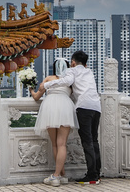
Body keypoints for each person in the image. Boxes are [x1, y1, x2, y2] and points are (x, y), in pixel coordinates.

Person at [43, 50, 102, 184]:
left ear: (73, 63)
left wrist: (46, 84)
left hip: (84, 107)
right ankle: (97, 173)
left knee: (87, 142)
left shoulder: (72, 70)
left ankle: (91, 176)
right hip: (96, 107)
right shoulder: (89, 72)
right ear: (85, 64)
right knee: (94, 141)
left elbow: (66, 81)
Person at [31, 58, 78, 187]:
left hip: (50, 107)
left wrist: (30, 89)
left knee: (55, 145)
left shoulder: (48, 79)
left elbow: (36, 97)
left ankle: (56, 176)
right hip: (65, 107)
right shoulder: (70, 81)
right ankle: (60, 175)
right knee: (62, 144)